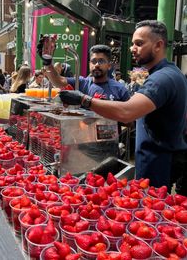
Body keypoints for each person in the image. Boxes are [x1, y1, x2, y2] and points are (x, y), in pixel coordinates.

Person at [59, 20, 187, 194]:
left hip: (158, 163)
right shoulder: (168, 73)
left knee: (152, 210)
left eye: (139, 43)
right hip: (155, 159)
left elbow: (127, 112)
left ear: (158, 45)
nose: (132, 48)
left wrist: (84, 100)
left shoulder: (162, 79)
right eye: (133, 43)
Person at [39, 42, 130, 102]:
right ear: (89, 64)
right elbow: (58, 80)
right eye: (94, 61)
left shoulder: (120, 89)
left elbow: (129, 121)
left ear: (109, 65)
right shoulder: (82, 82)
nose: (97, 65)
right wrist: (48, 62)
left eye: (101, 61)